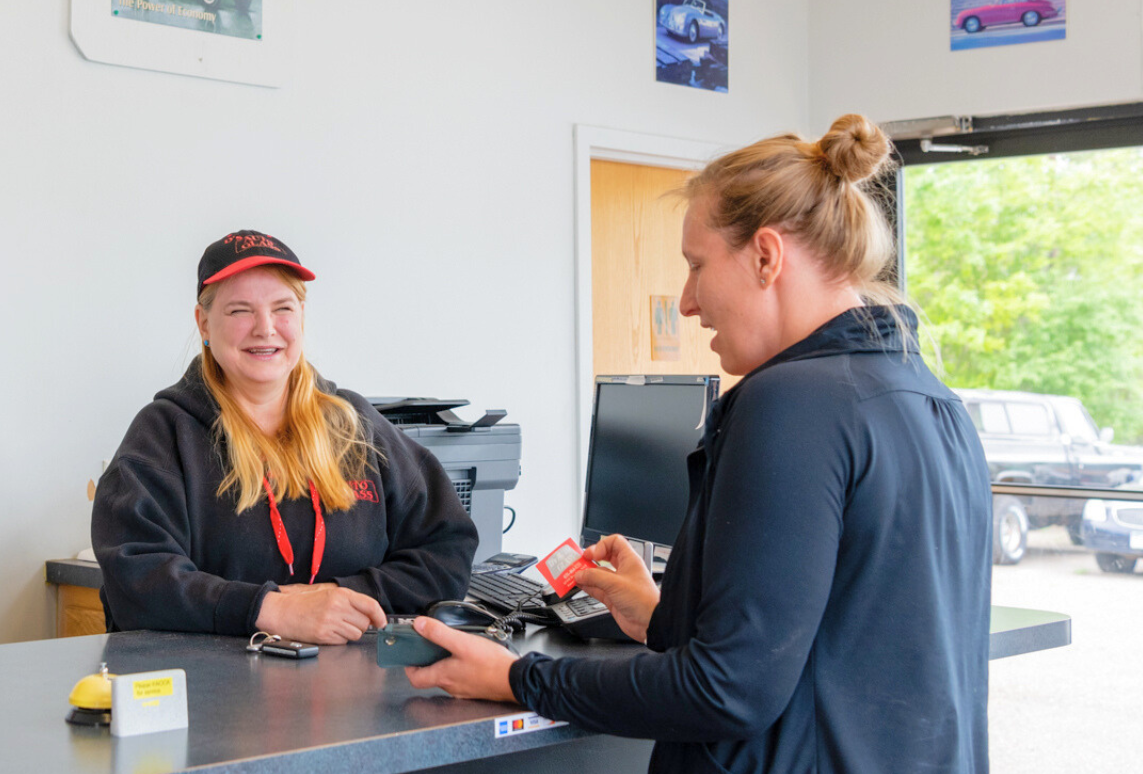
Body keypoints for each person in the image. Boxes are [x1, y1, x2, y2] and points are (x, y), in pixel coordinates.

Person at [404, 115, 992, 774]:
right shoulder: (932, 398)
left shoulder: (789, 405)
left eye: (696, 267)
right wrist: (660, 618)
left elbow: (727, 691)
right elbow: (836, 644)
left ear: (766, 256)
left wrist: (519, 678)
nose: (687, 303)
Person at [92, 230, 478, 644]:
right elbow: (135, 581)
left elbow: (447, 551)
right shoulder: (163, 436)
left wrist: (340, 597)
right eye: (241, 310)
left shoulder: (355, 425)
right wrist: (268, 609)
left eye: (282, 308)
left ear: (301, 316)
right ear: (203, 323)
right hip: (213, 697)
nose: (265, 328)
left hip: (353, 694)